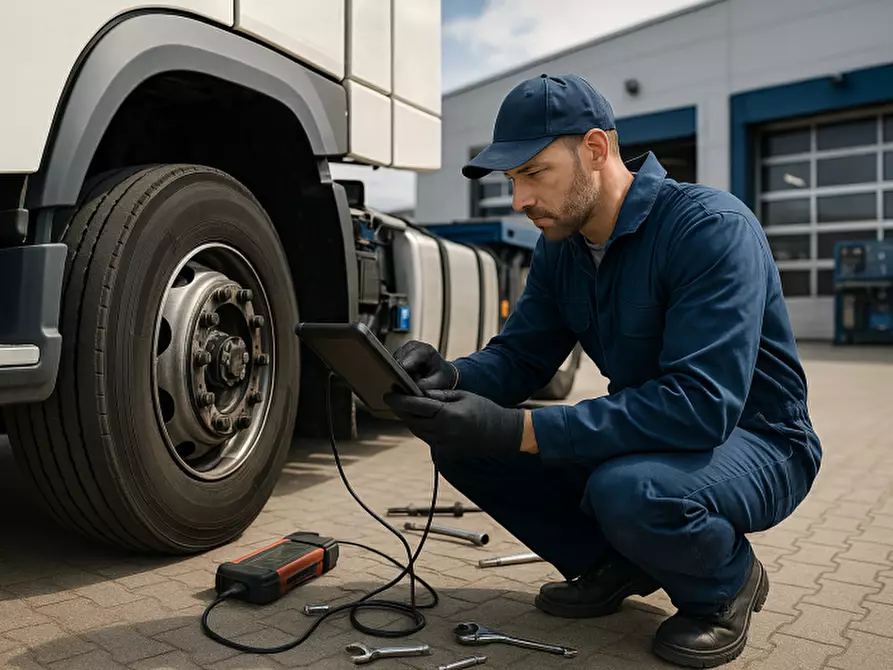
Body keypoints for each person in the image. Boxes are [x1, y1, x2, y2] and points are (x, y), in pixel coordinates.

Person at [383, 73, 822, 668]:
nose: (520, 200)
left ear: (595, 149)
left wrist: (518, 429)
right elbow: (519, 357)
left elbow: (701, 406)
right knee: (463, 447)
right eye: (513, 181)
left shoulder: (709, 229)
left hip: (760, 441)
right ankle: (615, 563)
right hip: (656, 437)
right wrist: (449, 379)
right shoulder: (562, 247)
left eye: (535, 173)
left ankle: (726, 584)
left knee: (631, 490)